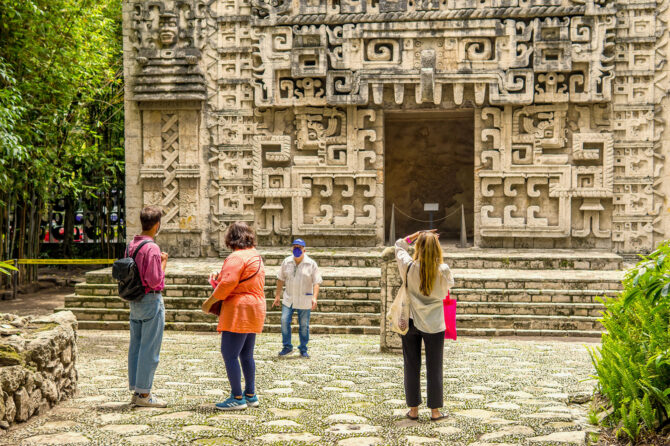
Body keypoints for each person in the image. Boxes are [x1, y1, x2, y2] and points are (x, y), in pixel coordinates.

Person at [206, 222, 266, 410]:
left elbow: (229, 283)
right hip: (255, 307)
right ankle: (250, 394)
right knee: (246, 354)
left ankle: (237, 397)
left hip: (239, 309)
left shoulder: (236, 257)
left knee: (229, 353)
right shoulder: (255, 256)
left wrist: (208, 303)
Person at [395, 230, 454, 421]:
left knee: (411, 365)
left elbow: (398, 245)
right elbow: (448, 288)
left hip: (411, 320)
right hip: (435, 322)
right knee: (435, 366)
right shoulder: (443, 269)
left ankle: (413, 410)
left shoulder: (408, 266)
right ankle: (435, 411)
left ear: (418, 248)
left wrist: (416, 236)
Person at [128, 205, 169, 408]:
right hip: (150, 299)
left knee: (136, 345)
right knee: (150, 348)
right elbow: (154, 280)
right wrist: (163, 264)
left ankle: (137, 389)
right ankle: (144, 394)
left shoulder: (132, 245)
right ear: (157, 225)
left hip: (134, 300)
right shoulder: (152, 248)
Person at [272, 239, 322, 358]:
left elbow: (317, 282)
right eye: (295, 247)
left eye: (299, 247)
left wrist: (315, 298)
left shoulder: (311, 264)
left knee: (304, 325)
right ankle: (287, 347)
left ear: (304, 249)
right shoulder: (287, 262)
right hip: (289, 298)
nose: (297, 249)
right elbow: (280, 279)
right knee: (284, 321)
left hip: (305, 299)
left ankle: (303, 349)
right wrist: (277, 295)